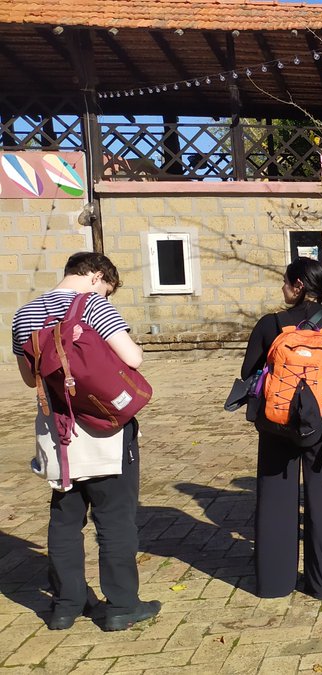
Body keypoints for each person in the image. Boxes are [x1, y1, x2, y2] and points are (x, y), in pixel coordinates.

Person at [11, 252, 161, 631]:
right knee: (114, 519)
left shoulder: (23, 315)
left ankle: (66, 605)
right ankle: (123, 604)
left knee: (64, 518)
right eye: (106, 289)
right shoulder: (94, 306)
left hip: (56, 432)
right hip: (104, 427)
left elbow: (31, 380)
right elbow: (134, 358)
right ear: (96, 276)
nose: (106, 296)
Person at [241, 257, 322, 599]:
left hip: (276, 424)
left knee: (275, 502)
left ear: (298, 286)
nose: (282, 288)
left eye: (285, 282)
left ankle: (274, 582)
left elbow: (248, 372)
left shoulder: (269, 325)